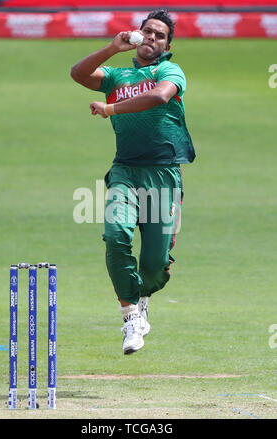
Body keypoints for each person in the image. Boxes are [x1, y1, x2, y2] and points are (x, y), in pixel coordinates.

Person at [71, 9, 196, 355]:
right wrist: (112, 47)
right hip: (125, 170)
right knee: (115, 235)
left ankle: (141, 299)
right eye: (148, 32)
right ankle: (129, 315)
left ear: (168, 44)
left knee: (154, 267)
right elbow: (78, 74)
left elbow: (159, 97)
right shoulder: (118, 74)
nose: (152, 38)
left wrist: (111, 109)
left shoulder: (169, 70)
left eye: (160, 35)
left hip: (163, 173)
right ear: (137, 35)